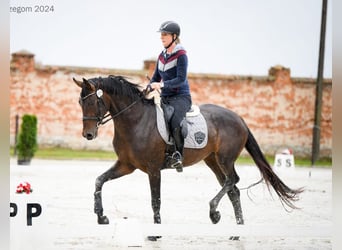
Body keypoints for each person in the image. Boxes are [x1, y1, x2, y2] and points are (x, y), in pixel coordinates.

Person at [149, 21, 192, 172]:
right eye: (161, 34)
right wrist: (148, 86)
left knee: (174, 121)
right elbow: (155, 78)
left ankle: (178, 156)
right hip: (165, 98)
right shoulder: (161, 56)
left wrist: (161, 85)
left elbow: (181, 79)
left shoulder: (181, 55)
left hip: (181, 97)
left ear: (174, 36)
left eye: (165, 34)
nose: (162, 37)